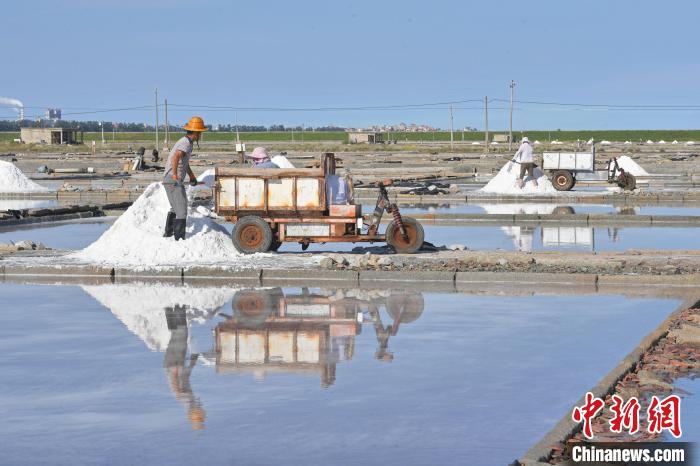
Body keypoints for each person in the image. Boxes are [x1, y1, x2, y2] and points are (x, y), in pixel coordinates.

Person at [162, 116, 207, 240]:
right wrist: (176, 175)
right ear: (196, 133)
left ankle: (169, 234)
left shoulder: (187, 142)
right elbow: (176, 157)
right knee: (182, 209)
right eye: (200, 133)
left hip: (168, 178)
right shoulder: (185, 142)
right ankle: (179, 239)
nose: (201, 136)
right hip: (172, 179)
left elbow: (184, 162)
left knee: (175, 208)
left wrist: (192, 176)